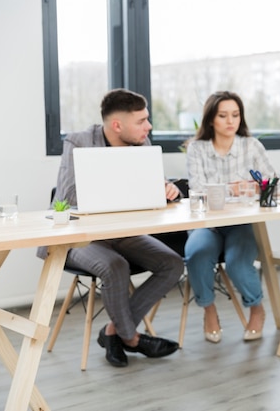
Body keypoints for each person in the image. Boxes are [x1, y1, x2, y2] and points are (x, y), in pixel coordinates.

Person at [38, 88, 183, 368]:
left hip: (122, 234)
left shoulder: (141, 143)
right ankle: (132, 339)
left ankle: (113, 333)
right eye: (141, 121)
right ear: (117, 125)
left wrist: (166, 188)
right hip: (78, 237)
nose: (148, 126)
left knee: (172, 264)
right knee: (115, 267)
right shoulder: (78, 142)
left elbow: (153, 186)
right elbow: (67, 198)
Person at [185, 91, 275, 343]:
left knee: (238, 263)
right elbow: (197, 188)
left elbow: (273, 182)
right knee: (197, 255)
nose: (230, 121)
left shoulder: (251, 146)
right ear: (211, 119)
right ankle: (209, 311)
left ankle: (257, 308)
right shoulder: (197, 149)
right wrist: (232, 188)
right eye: (223, 115)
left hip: (241, 224)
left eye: (235, 115)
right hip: (207, 224)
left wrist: (258, 186)